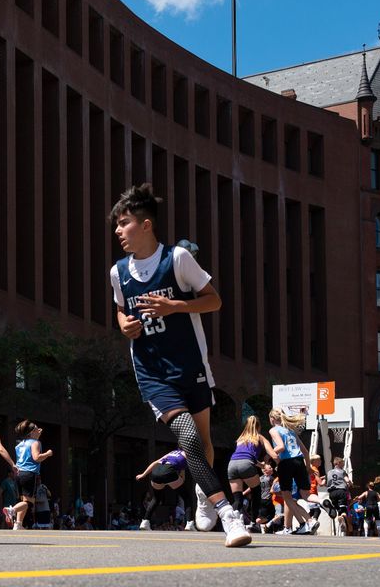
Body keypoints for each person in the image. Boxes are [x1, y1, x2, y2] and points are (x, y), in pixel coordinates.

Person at [108, 184, 250, 547]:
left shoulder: (178, 260)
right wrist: (124, 324)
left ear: (146, 225)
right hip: (153, 371)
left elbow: (214, 301)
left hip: (189, 364)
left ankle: (204, 491)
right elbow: (122, 310)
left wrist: (177, 307)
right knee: (187, 439)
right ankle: (229, 515)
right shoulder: (118, 272)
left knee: (203, 443)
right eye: (117, 226)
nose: (118, 232)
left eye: (124, 224)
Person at [268, 408, 318, 535]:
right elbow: (306, 451)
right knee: (302, 496)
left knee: (287, 497)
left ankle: (308, 520)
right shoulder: (290, 431)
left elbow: (281, 447)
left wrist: (269, 455)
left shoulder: (274, 430)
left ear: (272, 419)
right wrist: (307, 467)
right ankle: (301, 524)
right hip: (300, 461)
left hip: (287, 463)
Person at [4, 420, 52, 531]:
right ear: (31, 432)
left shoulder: (19, 444)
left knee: (24, 500)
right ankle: (11, 510)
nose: (39, 430)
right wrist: (48, 454)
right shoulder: (36, 443)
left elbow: (29, 450)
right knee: (29, 504)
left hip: (19, 474)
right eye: (36, 429)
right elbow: (36, 457)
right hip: (30, 474)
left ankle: (18, 524)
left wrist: (37, 436)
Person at [227, 416, 275, 527]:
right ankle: (254, 522)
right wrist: (269, 461)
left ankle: (235, 521)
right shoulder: (260, 437)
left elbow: (244, 455)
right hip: (247, 465)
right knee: (256, 492)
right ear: (259, 426)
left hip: (232, 464)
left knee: (237, 498)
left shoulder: (240, 438)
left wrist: (260, 465)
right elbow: (272, 453)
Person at [135, 448, 187, 530]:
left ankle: (145, 522)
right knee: (187, 497)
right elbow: (183, 475)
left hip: (156, 473)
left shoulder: (171, 453)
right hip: (168, 473)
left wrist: (143, 474)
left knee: (156, 499)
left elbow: (154, 463)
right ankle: (190, 524)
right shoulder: (187, 454)